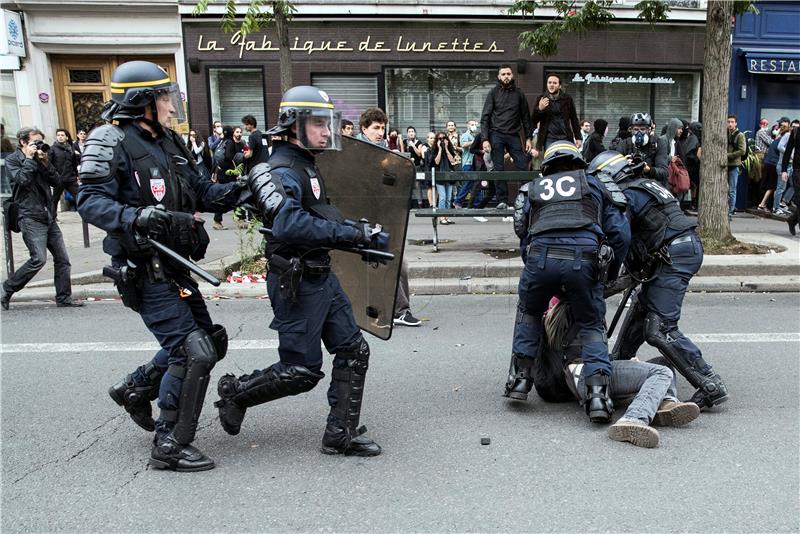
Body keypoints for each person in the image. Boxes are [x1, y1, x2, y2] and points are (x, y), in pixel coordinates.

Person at [77, 61, 244, 471]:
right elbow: (89, 200)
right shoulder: (109, 140)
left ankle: (136, 389)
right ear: (141, 101)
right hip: (144, 267)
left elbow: (203, 190)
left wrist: (244, 189)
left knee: (210, 340)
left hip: (176, 265)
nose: (171, 106)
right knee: (191, 351)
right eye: (165, 97)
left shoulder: (171, 142)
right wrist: (133, 217)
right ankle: (169, 444)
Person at [214, 85, 384, 456]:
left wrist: (362, 235)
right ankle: (235, 393)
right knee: (300, 371)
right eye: (319, 123)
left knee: (354, 350)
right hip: (296, 279)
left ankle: (340, 434)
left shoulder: (307, 164)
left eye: (328, 123)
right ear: (294, 125)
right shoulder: (280, 170)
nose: (327, 131)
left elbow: (319, 217)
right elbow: (289, 224)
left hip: (319, 273)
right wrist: (349, 234)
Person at [588, 151, 729, 410]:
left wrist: (601, 281)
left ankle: (710, 383)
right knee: (642, 310)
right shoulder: (644, 186)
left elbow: (621, 239)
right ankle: (620, 361)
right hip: (675, 251)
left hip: (674, 254)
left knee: (660, 328)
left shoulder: (625, 194)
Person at [504, 142, 630, 424]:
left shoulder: (534, 187)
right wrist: (607, 272)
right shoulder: (596, 183)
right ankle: (597, 396)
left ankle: (520, 380)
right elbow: (620, 233)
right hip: (584, 260)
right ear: (578, 162)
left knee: (530, 313)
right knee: (591, 324)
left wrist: (536, 266)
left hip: (539, 258)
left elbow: (522, 231)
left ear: (547, 166)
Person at [542, 300, 701, 448]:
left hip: (593, 372)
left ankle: (664, 404)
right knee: (662, 373)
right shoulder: (577, 308)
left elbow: (592, 353)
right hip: (588, 377)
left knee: (662, 362)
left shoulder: (568, 306)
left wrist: (628, 362)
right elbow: (582, 357)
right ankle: (633, 418)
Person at [1, 128, 81, 310]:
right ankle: (7, 287)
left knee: (63, 259)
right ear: (23, 142)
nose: (38, 146)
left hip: (47, 215)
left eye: (40, 142)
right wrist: (29, 159)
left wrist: (45, 163)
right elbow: (22, 181)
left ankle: (64, 298)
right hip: (29, 215)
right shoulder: (13, 160)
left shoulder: (41, 157)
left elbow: (57, 182)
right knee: (38, 259)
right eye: (34, 142)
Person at [356, 107, 422, 327]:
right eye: (376, 128)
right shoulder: (358, 151)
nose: (380, 132)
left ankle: (396, 310)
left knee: (397, 263)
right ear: (364, 129)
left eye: (383, 128)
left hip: (385, 215)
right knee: (386, 263)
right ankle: (396, 310)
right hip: (366, 219)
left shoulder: (383, 150)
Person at [480, 64, 534, 209]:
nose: (506, 76)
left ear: (512, 76)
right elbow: (485, 117)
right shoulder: (493, 93)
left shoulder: (519, 93)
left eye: (508, 74)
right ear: (499, 77)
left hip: (514, 135)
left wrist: (528, 137)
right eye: (503, 74)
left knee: (523, 166)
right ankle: (502, 200)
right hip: (496, 134)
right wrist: (485, 139)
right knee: (498, 168)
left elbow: (525, 117)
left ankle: (525, 197)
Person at [613, 112, 668, 186]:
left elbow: (663, 173)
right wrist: (623, 164)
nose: (639, 133)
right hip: (629, 187)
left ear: (649, 129)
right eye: (636, 129)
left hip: (651, 187)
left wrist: (649, 170)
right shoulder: (624, 144)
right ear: (631, 130)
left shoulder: (658, 143)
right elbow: (613, 171)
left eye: (642, 129)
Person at [532, 74, 582, 152]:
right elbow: (533, 121)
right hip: (549, 138)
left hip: (565, 137)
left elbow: (574, 119)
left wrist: (578, 137)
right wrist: (540, 109)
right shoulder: (541, 98)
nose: (551, 85)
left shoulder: (567, 99)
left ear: (560, 86)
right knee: (550, 162)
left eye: (554, 83)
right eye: (549, 82)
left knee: (566, 162)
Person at [50, 128, 80, 213]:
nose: (60, 137)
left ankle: (86, 216)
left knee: (79, 197)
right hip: (58, 179)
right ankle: (52, 217)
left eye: (62, 135)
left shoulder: (71, 148)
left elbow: (74, 164)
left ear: (67, 137)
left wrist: (76, 175)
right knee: (54, 200)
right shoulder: (52, 149)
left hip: (70, 178)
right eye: (58, 135)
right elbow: (49, 164)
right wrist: (53, 176)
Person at [780, 120, 799, 234]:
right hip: (798, 169)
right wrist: (784, 170)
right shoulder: (796, 132)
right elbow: (787, 151)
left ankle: (792, 220)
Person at [726, 114, 747, 220]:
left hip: (733, 165)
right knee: (724, 190)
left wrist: (728, 156)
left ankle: (730, 212)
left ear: (736, 123)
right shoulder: (725, 133)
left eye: (732, 122)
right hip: (724, 165)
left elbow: (742, 150)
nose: (730, 124)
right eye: (728, 122)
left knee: (732, 190)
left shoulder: (740, 135)